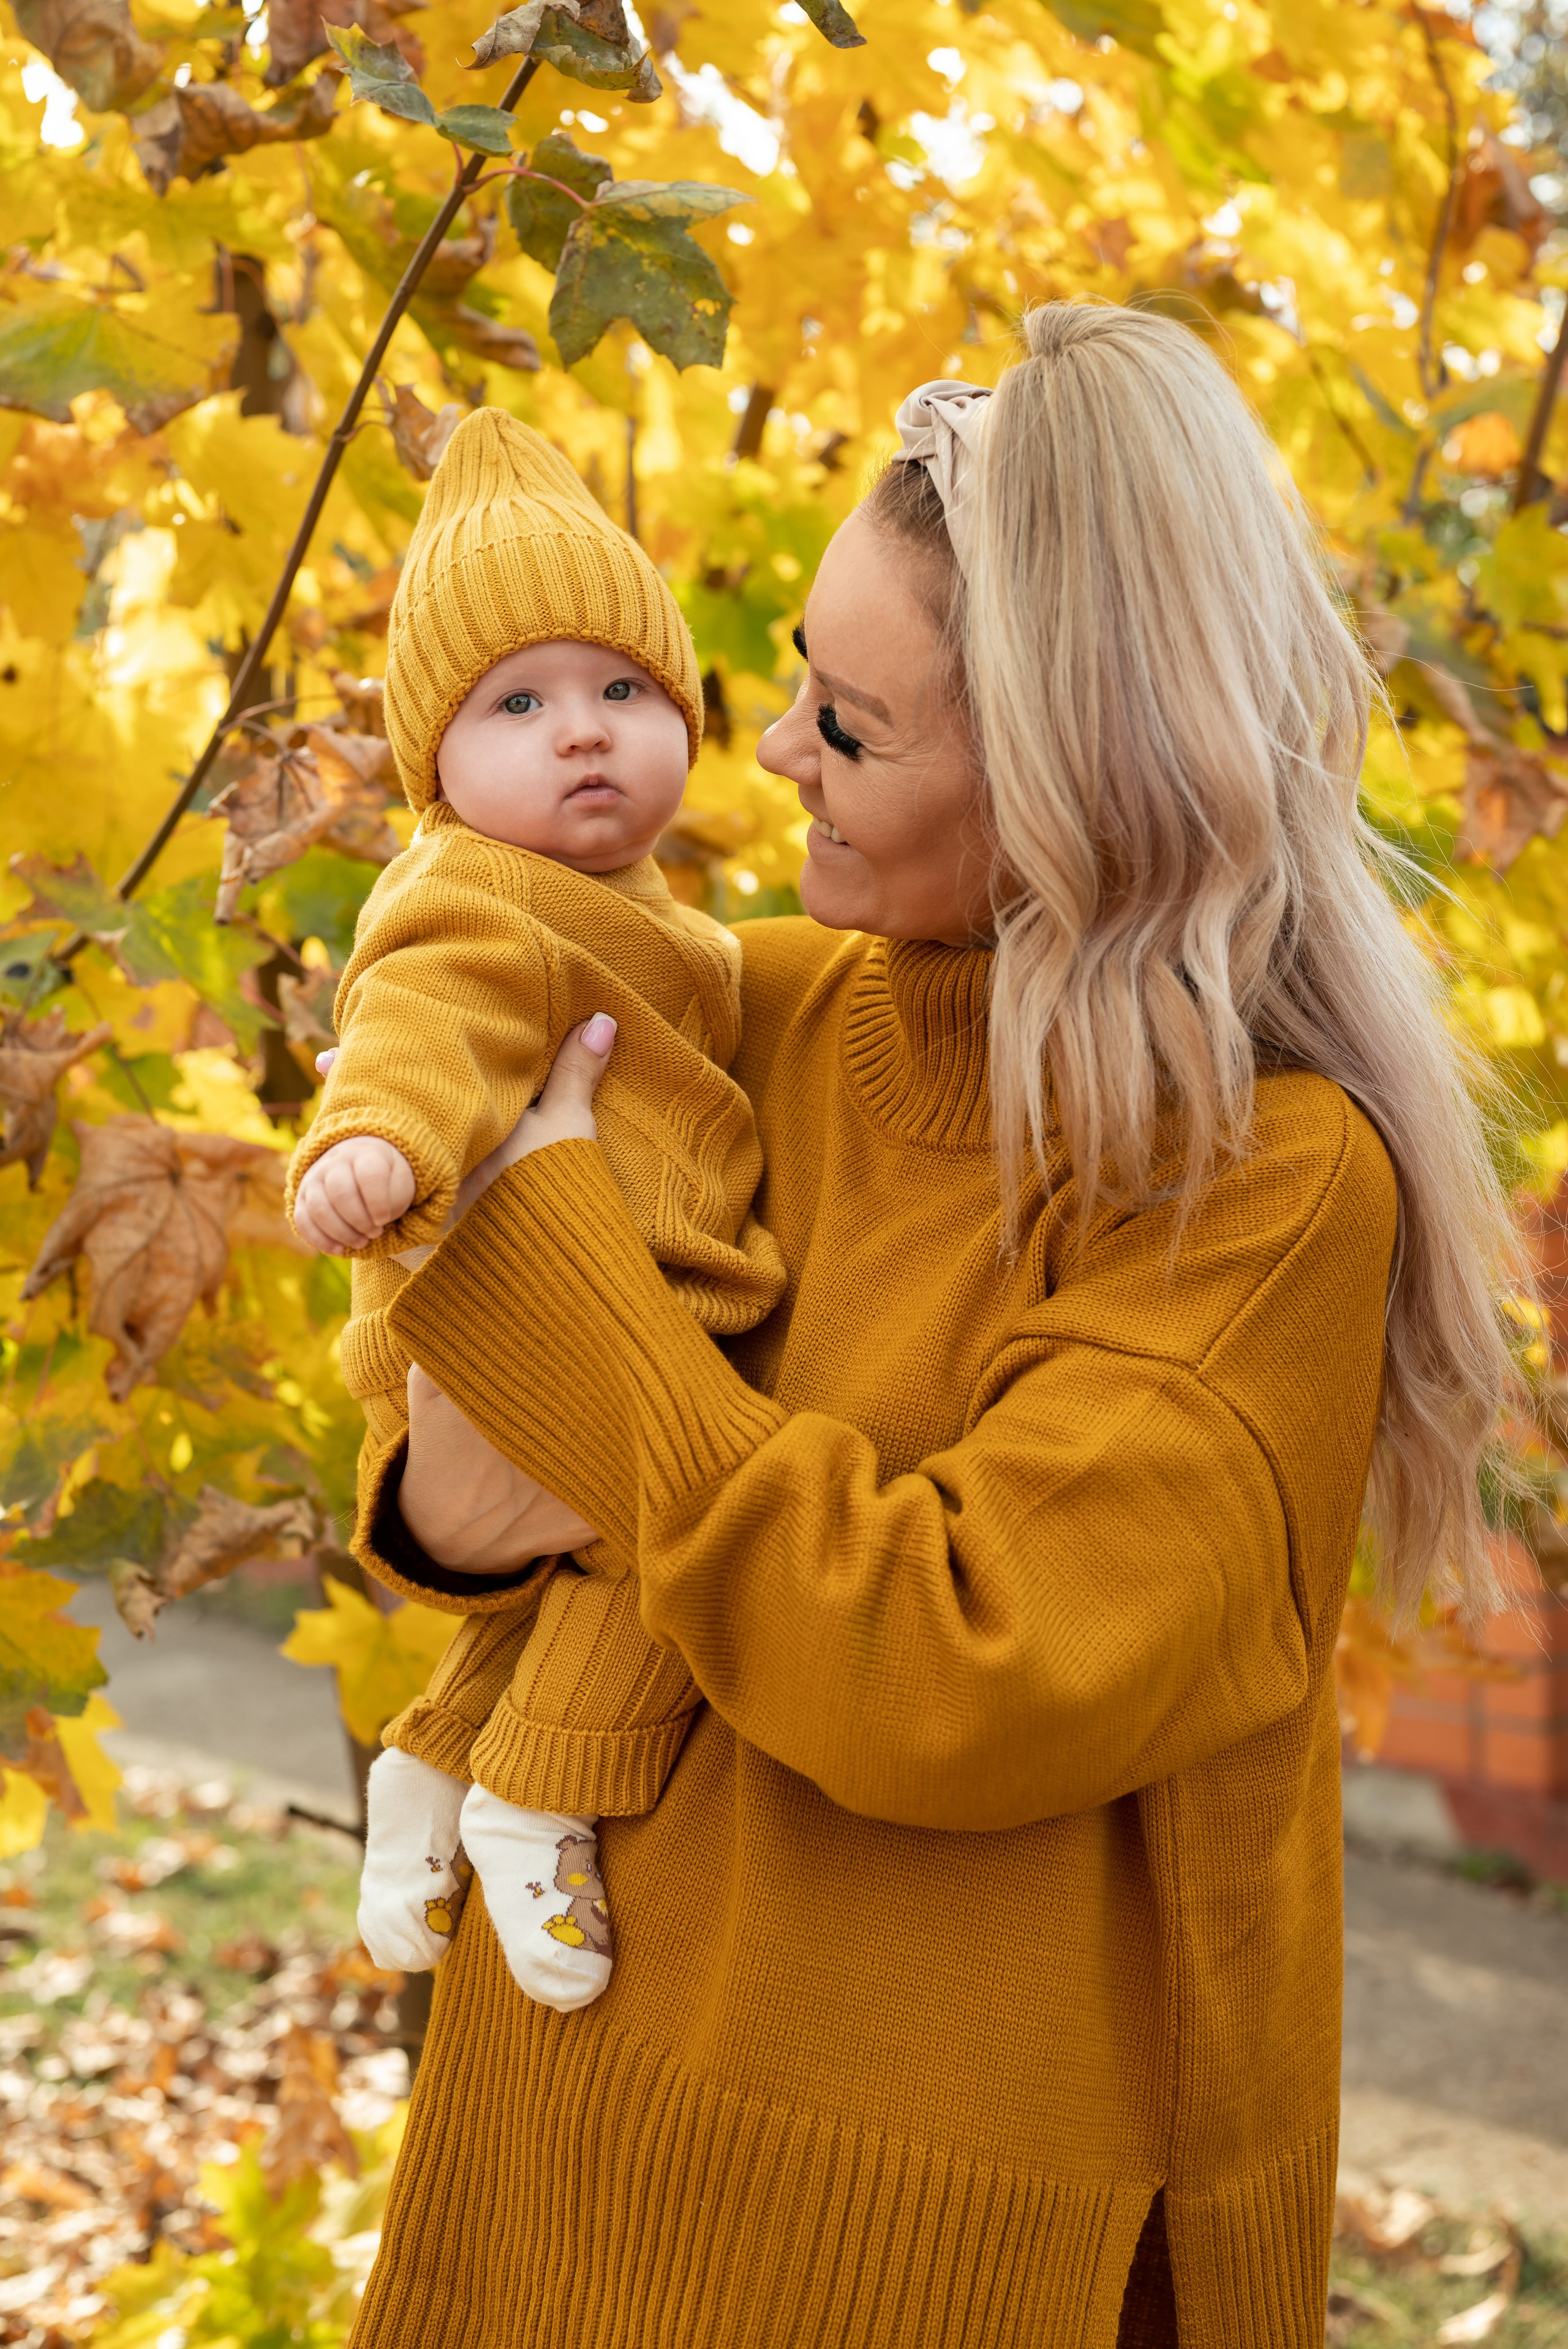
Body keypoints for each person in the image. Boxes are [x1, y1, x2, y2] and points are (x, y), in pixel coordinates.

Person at [344, 304, 1519, 2349]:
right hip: (568, 2128)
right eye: (793, 685)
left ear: (1085, 782)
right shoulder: (756, 1009)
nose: (778, 753)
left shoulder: (1259, 1187)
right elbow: (454, 1476)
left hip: (925, 2245)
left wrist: (549, 1262)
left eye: (857, 729)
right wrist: (461, 1471)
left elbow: (949, 1662)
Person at [287, 407, 783, 2013]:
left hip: (588, 1302)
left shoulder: (658, 924)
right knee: (680, 1540)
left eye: (623, 690)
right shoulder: (474, 901)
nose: (584, 731)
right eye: (520, 702)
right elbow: (424, 1031)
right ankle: (537, 1796)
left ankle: (433, 1765)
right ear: (433, 763)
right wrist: (374, 1142)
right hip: (509, 1315)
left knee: (569, 1571)